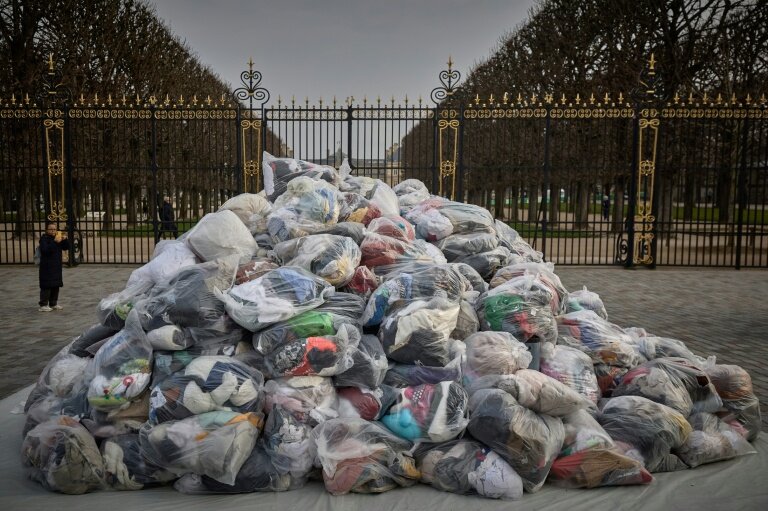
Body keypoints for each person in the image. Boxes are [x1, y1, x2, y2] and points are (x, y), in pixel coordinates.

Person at [38, 223, 70, 312]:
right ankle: (43, 304)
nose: (53, 231)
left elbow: (66, 247)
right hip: (47, 266)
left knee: (56, 285)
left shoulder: (57, 238)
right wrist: (55, 242)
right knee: (47, 285)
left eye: (54, 229)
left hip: (56, 266)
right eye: (51, 229)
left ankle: (53, 303)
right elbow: (45, 251)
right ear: (47, 230)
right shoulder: (44, 239)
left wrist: (65, 240)